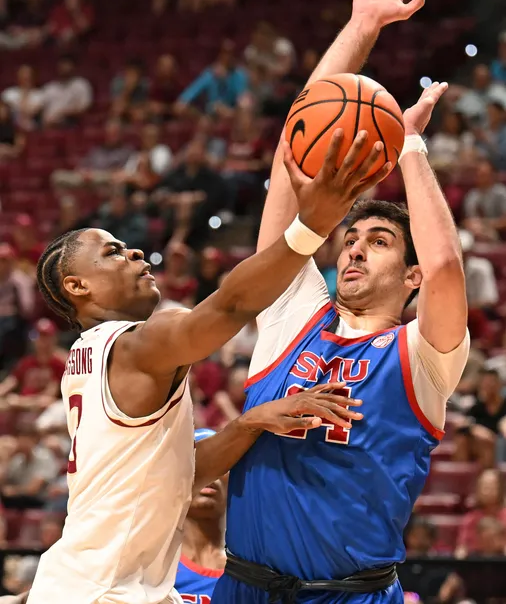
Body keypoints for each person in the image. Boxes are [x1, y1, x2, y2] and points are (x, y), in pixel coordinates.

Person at [26, 115, 386, 602]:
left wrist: (250, 424)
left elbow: (177, 472)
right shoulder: (135, 345)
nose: (134, 252)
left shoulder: (86, 359)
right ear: (77, 286)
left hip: (86, 583)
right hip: (104, 592)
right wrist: (311, 226)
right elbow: (230, 306)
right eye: (112, 253)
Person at [212, 0, 470, 604]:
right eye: (349, 239)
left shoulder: (424, 356)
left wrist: (408, 145)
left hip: (349, 595)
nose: (352, 251)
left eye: (377, 241)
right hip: (245, 588)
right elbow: (292, 151)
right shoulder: (291, 317)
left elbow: (445, 265)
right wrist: (360, 28)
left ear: (408, 275)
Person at [175, 428, 225, 604]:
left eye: (221, 463)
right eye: (196, 462)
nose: (210, 474)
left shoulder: (254, 565)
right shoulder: (152, 563)